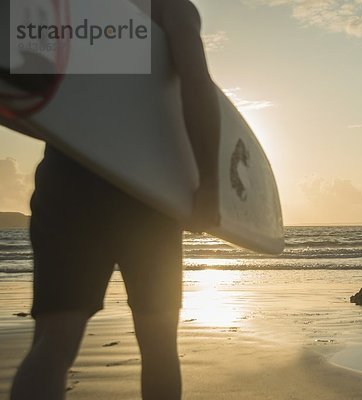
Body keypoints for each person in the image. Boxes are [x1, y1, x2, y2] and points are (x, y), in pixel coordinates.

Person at [6, 0, 220, 399]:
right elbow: (195, 81)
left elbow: (26, 93)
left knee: (54, 342)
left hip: (68, 177)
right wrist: (208, 181)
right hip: (146, 188)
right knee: (158, 345)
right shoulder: (167, 6)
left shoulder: (69, 7)